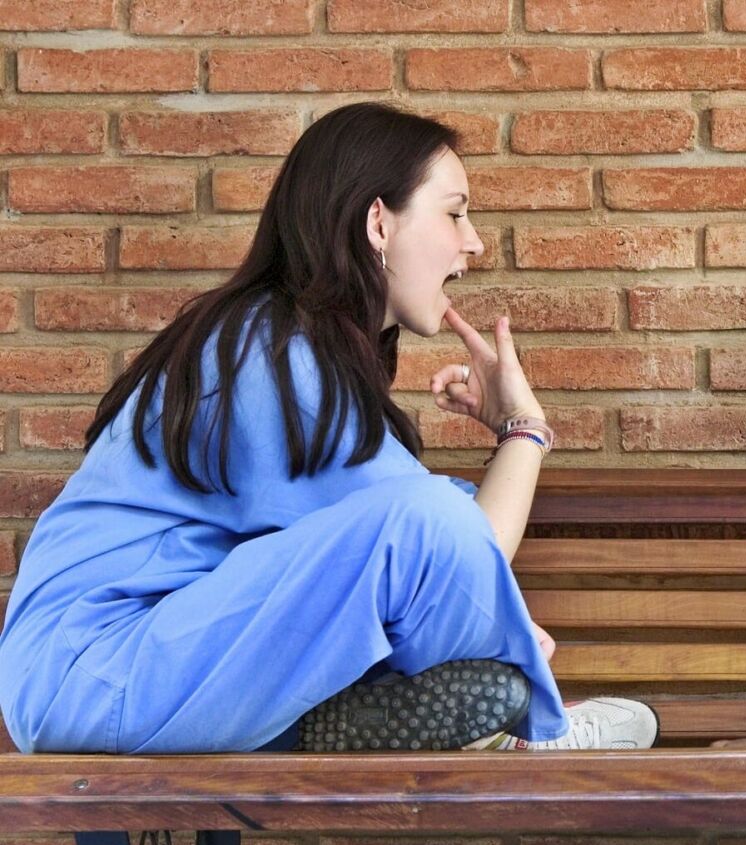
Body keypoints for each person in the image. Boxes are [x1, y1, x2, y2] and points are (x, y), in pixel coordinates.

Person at [0, 102, 656, 756]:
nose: (473, 241)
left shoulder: (282, 343)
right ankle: (519, 726)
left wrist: (487, 599)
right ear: (378, 222)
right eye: (454, 213)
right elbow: (451, 545)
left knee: (430, 530)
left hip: (146, 665)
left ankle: (458, 712)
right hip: (97, 672)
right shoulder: (268, 355)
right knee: (427, 524)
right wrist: (523, 430)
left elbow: (436, 556)